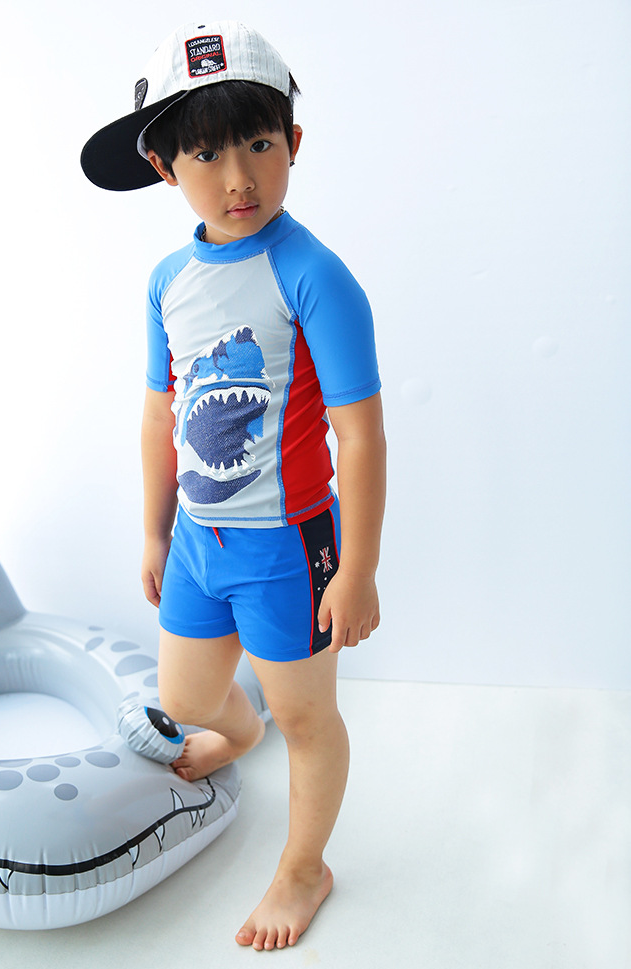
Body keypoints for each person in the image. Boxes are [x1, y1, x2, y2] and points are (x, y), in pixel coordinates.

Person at [81, 21, 386, 951]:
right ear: (165, 167)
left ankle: (304, 866)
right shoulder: (168, 280)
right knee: (187, 697)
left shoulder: (314, 275)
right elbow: (157, 415)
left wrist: (358, 569)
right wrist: (153, 531)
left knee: (306, 713)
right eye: (208, 154)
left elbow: (360, 433)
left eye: (258, 143)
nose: (239, 178)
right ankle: (240, 736)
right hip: (198, 544)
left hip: (289, 545)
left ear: (293, 141)